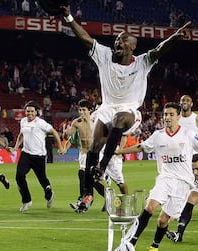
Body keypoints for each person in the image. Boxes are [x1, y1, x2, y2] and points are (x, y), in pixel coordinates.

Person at [61, 4, 191, 212]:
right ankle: (86, 196)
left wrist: (175, 36)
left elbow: (159, 50)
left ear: (131, 47)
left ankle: (102, 168)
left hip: (130, 111)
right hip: (107, 107)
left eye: (122, 41)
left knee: (119, 120)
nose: (117, 43)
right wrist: (68, 16)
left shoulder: (141, 62)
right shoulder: (104, 56)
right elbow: (85, 38)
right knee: (95, 146)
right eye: (116, 41)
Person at [115, 102, 198, 251]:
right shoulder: (158, 135)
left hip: (183, 183)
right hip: (165, 178)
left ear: (178, 116)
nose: (167, 117)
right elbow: (141, 146)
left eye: (171, 114)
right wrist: (121, 151)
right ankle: (131, 242)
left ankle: (155, 246)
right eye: (165, 114)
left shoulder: (188, 134)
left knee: (163, 220)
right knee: (150, 207)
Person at [10, 101, 64, 212]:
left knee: (42, 178)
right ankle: (27, 200)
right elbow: (21, 135)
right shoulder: (23, 121)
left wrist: (60, 147)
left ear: (36, 112)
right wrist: (16, 147)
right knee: (19, 176)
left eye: (32, 111)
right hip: (26, 154)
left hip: (39, 156)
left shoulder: (41, 123)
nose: (29, 113)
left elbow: (54, 132)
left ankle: (49, 194)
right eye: (28, 111)